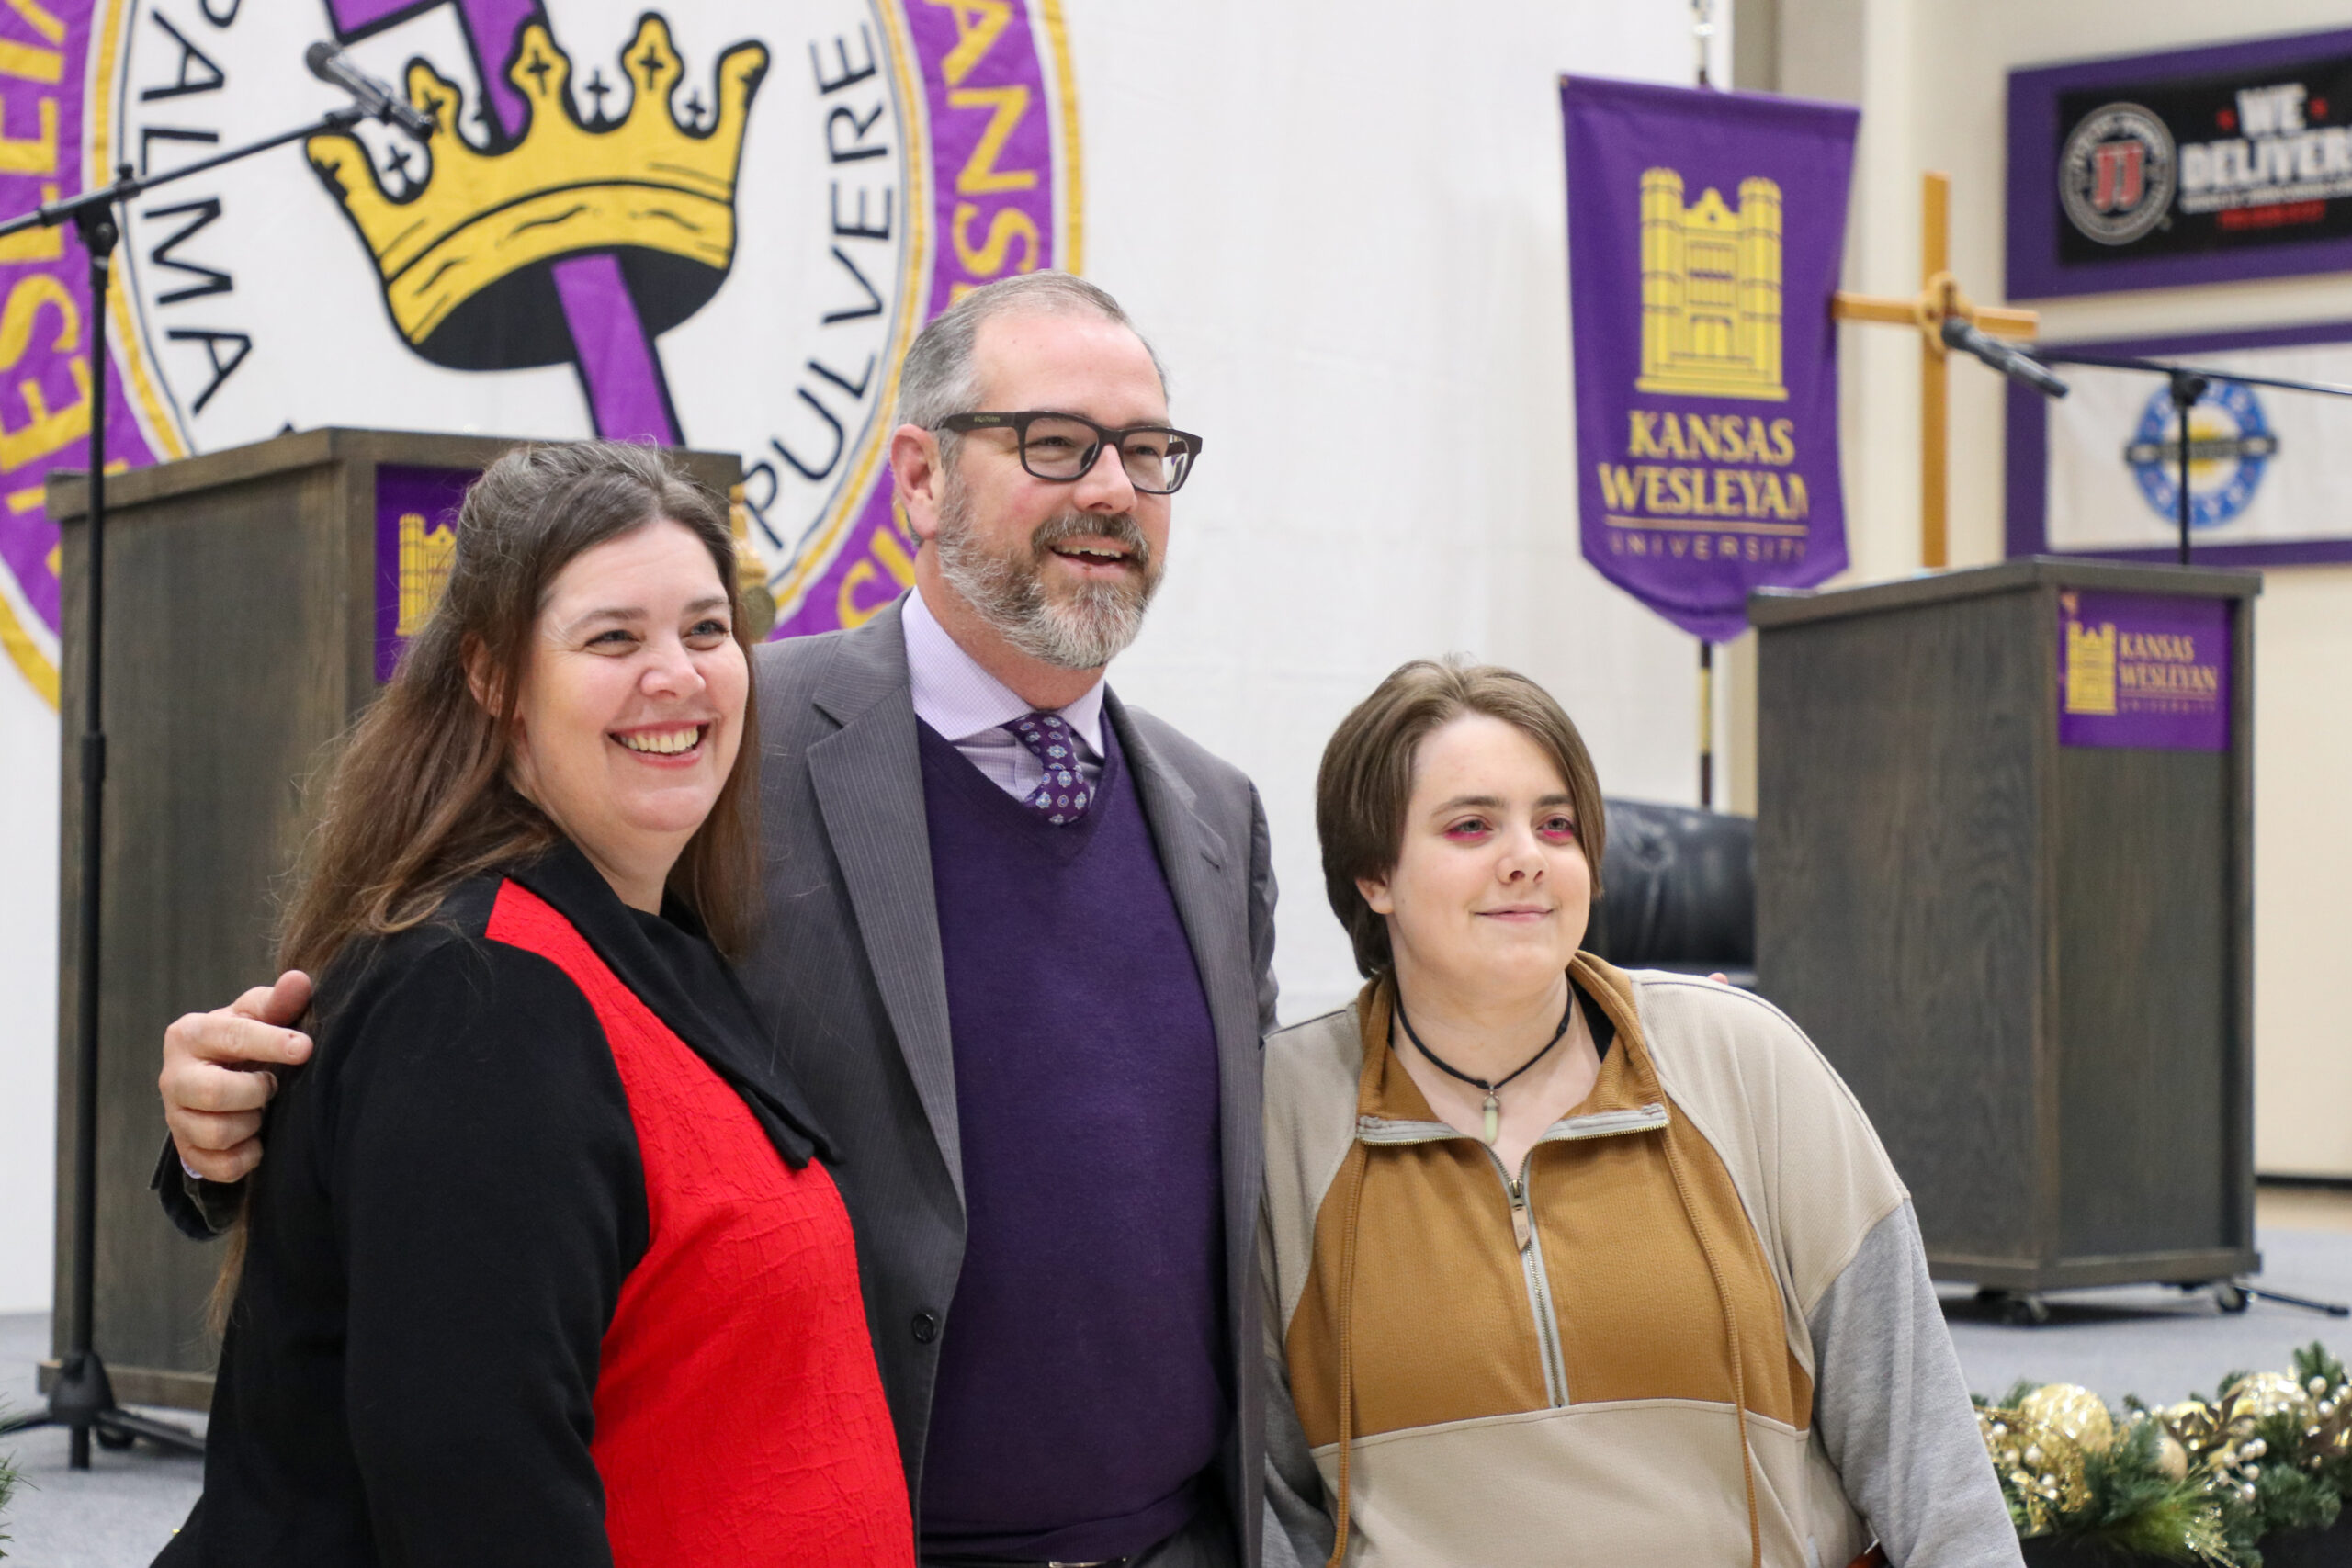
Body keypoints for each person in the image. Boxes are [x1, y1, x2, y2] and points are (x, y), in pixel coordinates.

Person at [157, 275, 1275, 1568]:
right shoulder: (723, 747)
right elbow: (432, 1044)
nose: (1111, 489)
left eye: (1147, 452)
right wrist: (216, 1126)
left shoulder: (1214, 812)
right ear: (917, 477)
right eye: (1056, 443)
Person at [156, 442, 911, 1565]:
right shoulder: (480, 999)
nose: (679, 674)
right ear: (494, 677)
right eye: (615, 637)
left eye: (707, 630)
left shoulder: (650, 941)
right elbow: (478, 1495)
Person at [1259, 659, 2019, 1568]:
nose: (1527, 857)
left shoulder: (1746, 1062)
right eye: (1471, 826)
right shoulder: (1283, 1112)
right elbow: (1269, 1504)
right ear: (1372, 875)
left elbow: (1924, 1457)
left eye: (1556, 824)